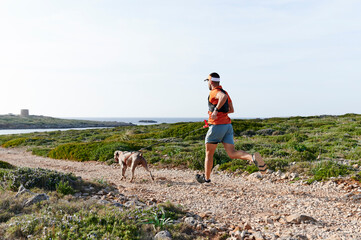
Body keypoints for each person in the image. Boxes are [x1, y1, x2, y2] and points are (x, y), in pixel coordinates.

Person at [195, 72, 267, 184]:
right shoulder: (225, 92)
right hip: (227, 126)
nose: (208, 83)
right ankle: (252, 157)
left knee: (209, 154)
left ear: (211, 81)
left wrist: (215, 111)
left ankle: (207, 179)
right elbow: (231, 109)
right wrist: (219, 113)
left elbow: (222, 97)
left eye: (208, 81)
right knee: (232, 153)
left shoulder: (215, 92)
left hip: (217, 126)